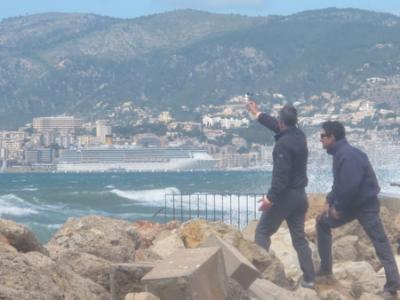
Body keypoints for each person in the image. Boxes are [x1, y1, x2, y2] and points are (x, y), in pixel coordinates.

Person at [316, 121, 400, 297]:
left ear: (332, 137)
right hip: (352, 205)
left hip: (365, 206)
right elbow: (338, 184)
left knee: (380, 243)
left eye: (323, 135)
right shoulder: (340, 153)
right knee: (322, 222)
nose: (320, 139)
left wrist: (338, 207)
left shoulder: (348, 156)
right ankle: (325, 270)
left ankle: (392, 286)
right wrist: (328, 201)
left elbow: (350, 186)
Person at [247, 100, 315, 289]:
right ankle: (310, 280)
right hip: (301, 196)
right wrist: (257, 113)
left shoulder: (282, 145)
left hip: (286, 196)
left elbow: (281, 177)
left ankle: (257, 278)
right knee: (299, 239)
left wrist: (270, 198)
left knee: (262, 232)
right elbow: (276, 125)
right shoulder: (300, 136)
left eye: (278, 120)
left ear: (281, 122)